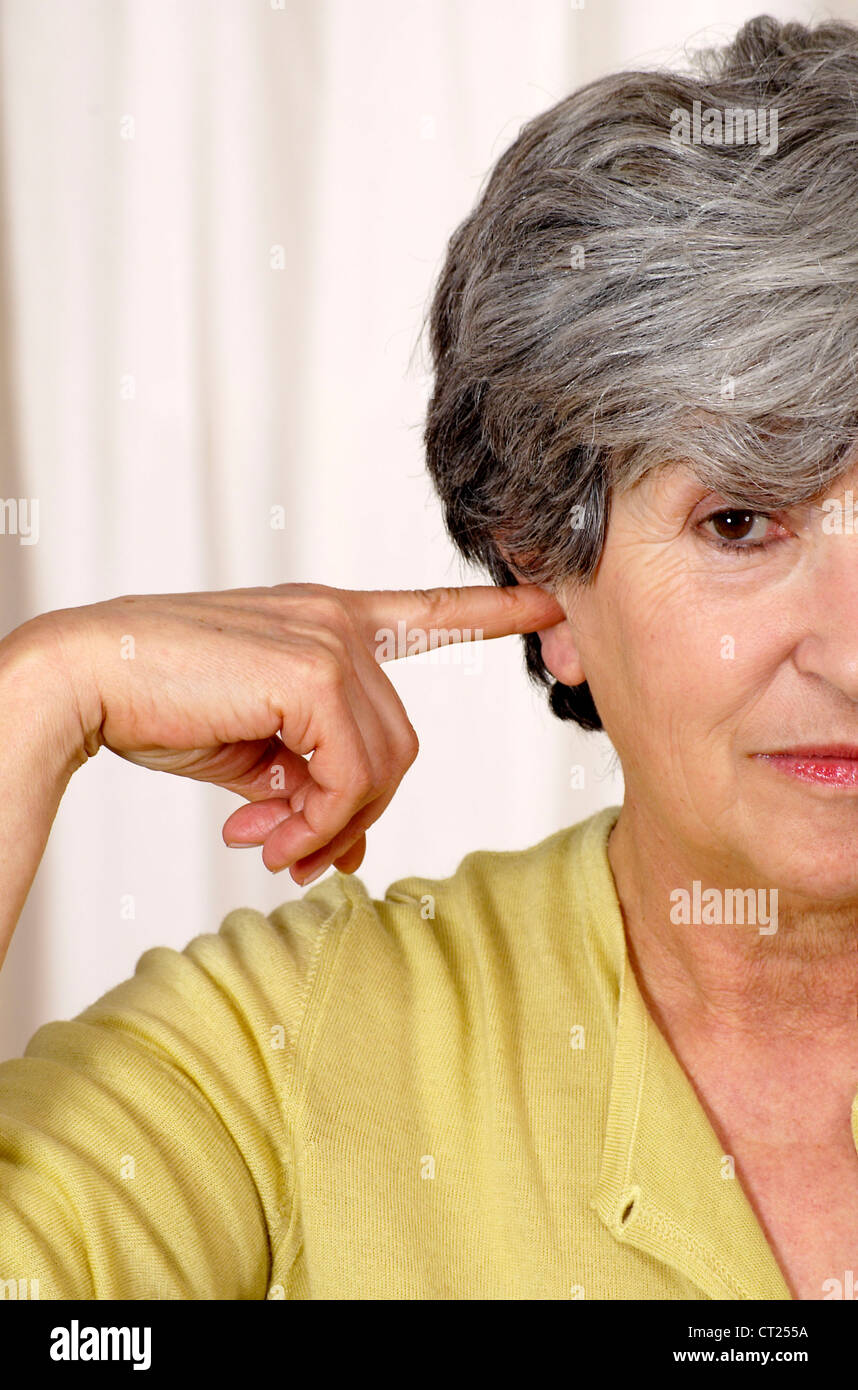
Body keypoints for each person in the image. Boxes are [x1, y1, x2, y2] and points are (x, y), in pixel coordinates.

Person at [2, 12, 858, 1302]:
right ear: (544, 571)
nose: (851, 653)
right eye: (740, 521)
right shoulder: (286, 1057)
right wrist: (41, 696)